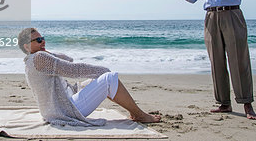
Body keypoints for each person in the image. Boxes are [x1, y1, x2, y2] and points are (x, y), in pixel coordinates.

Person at [174, 0, 256, 120]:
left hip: (232, 14)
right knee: (216, 61)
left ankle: (246, 104)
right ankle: (224, 103)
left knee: (238, 60)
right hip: (211, 17)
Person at [18, 27, 161, 126]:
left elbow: (68, 59)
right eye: (37, 40)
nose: (42, 41)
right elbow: (72, 69)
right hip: (66, 110)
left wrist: (48, 52)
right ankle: (139, 115)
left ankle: (135, 113)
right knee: (109, 78)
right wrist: (103, 70)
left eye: (42, 38)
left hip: (57, 108)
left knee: (100, 79)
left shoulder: (33, 60)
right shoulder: (39, 57)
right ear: (26, 47)